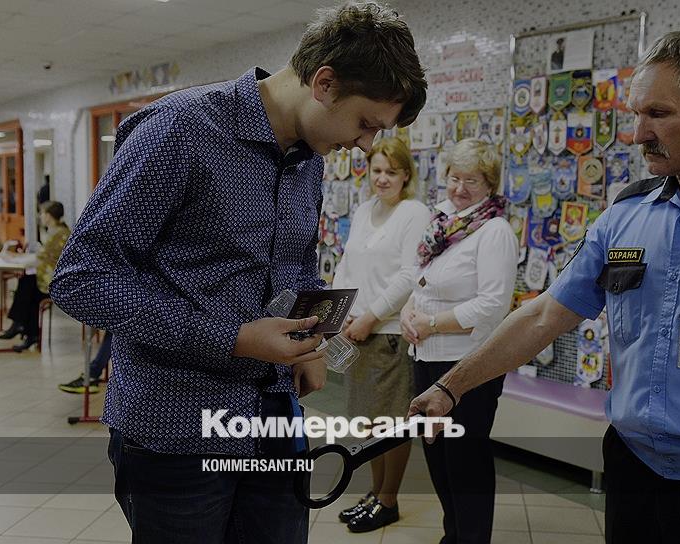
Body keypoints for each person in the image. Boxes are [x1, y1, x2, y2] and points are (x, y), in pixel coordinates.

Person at [410, 30, 680, 544]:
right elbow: (544, 315)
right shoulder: (625, 213)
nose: (639, 133)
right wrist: (451, 386)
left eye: (658, 114)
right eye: (636, 114)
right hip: (632, 471)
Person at [48, 2, 427, 542]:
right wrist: (233, 338)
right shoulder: (180, 129)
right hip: (176, 424)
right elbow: (80, 277)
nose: (365, 144)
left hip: (273, 419)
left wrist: (313, 339)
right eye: (366, 124)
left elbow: (293, 266)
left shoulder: (308, 158)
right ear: (324, 83)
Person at [400, 138, 518, 544]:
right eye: (454, 178)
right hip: (425, 356)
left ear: (490, 184)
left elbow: (492, 306)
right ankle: (453, 535)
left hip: (468, 365)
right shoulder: (441, 222)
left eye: (471, 180)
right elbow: (420, 280)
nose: (459, 188)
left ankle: (471, 538)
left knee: (466, 461)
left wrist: (432, 323)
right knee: (437, 454)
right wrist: (408, 312)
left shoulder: (494, 231)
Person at [331, 137, 430, 532]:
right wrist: (338, 313)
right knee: (368, 422)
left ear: (406, 175)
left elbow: (409, 276)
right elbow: (346, 264)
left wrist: (370, 318)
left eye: (391, 172)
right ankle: (375, 494)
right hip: (356, 330)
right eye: (376, 170)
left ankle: (388, 500)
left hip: (387, 333)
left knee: (392, 423)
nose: (383, 178)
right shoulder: (364, 210)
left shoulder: (414, 213)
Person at [0, 201, 71, 351]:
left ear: (48, 216)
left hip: (57, 282)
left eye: (42, 213)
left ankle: (24, 328)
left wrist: (14, 260)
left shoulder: (58, 234)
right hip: (51, 277)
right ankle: (23, 328)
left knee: (29, 292)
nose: (40, 216)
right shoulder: (56, 231)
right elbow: (42, 257)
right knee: (26, 283)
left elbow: (40, 258)